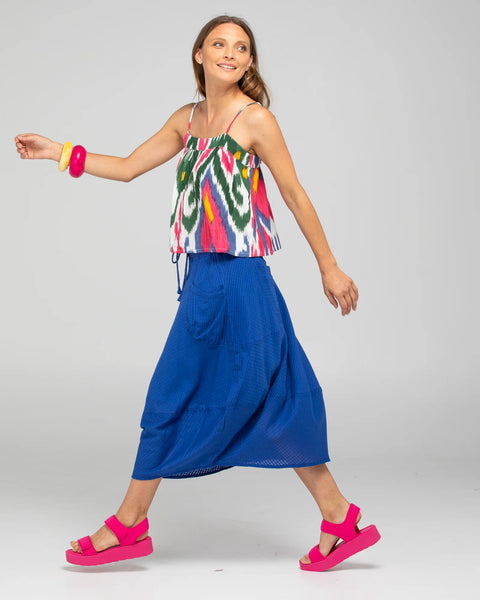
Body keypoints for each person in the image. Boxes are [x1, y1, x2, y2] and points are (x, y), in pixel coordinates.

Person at [14, 14, 380, 571]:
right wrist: (56, 151)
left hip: (244, 280)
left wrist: (329, 267)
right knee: (198, 394)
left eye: (241, 47)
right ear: (199, 55)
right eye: (219, 44)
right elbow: (129, 167)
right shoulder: (185, 120)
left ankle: (131, 523)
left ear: (249, 61)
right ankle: (339, 516)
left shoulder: (255, 120)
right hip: (203, 281)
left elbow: (294, 193)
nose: (231, 53)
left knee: (263, 394)